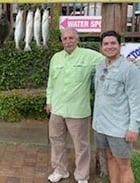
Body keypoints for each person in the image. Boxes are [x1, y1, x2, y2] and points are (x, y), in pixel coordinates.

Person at [46, 27, 103, 183]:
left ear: (77, 40)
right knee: (56, 142)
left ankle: (82, 176)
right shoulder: (56, 58)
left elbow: (109, 60)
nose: (68, 41)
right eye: (65, 39)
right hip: (57, 109)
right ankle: (60, 170)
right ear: (62, 41)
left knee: (82, 146)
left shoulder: (90, 56)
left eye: (71, 38)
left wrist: (129, 62)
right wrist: (49, 101)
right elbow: (51, 82)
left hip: (78, 111)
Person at [92, 30, 140, 183]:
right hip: (101, 125)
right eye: (106, 44)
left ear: (120, 46)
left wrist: (133, 127)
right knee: (110, 158)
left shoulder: (129, 69)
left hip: (119, 128)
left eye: (113, 43)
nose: (109, 46)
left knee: (124, 165)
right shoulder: (100, 66)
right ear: (101, 47)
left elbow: (136, 100)